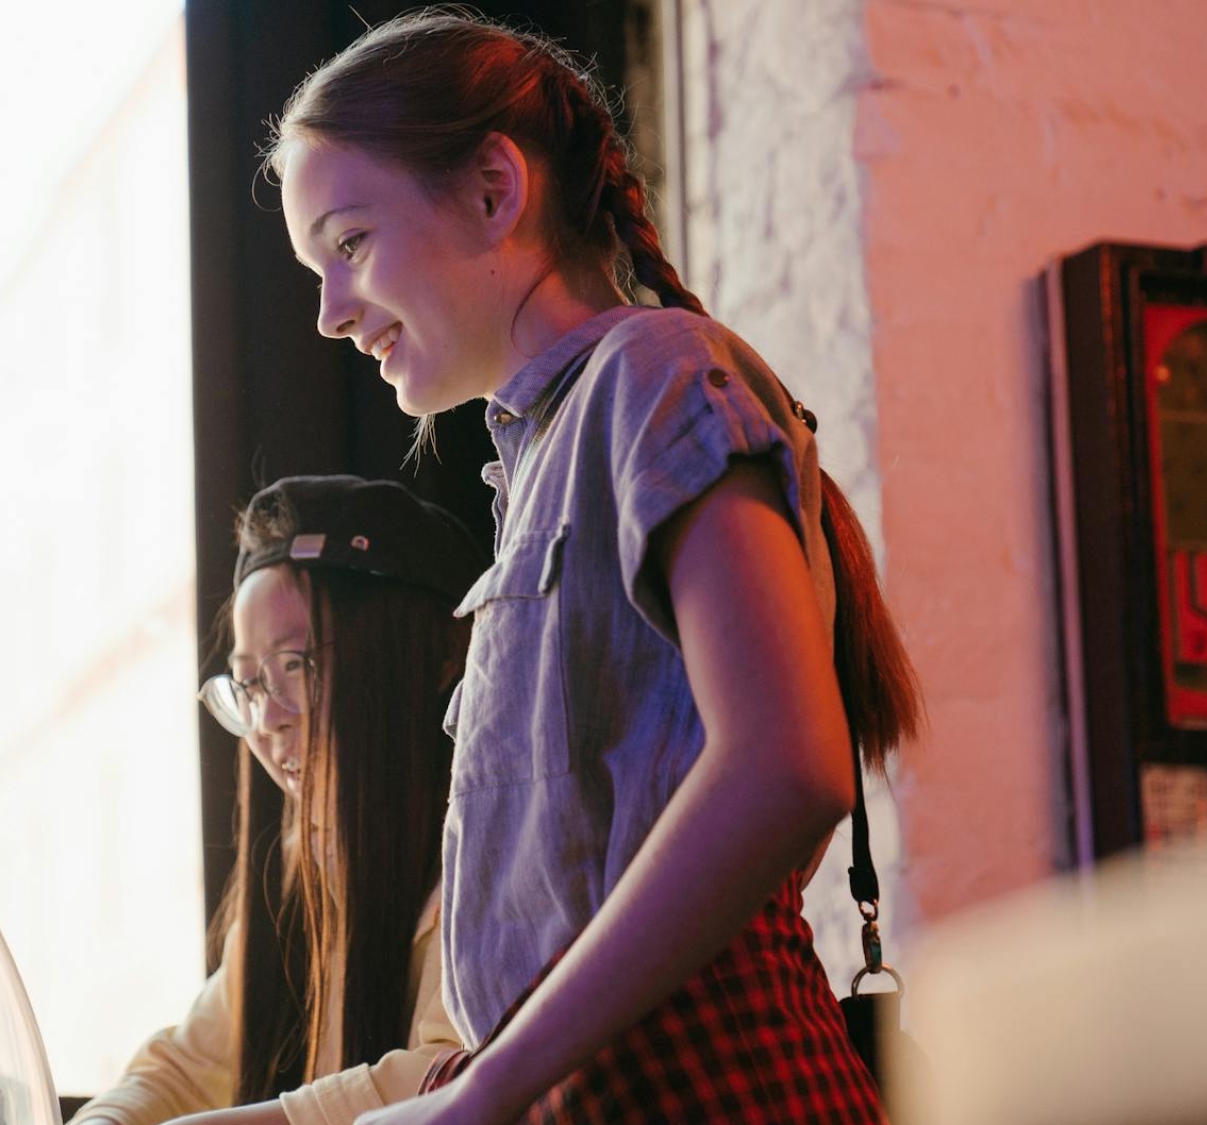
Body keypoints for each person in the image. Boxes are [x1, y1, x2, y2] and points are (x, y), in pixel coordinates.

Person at [270, 11, 923, 1125]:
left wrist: (494, 1085)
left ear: (493, 190)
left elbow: (786, 765)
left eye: (350, 243)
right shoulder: (543, 462)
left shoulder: (652, 373)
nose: (330, 313)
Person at [72, 475, 487, 1125]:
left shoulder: (490, 855)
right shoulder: (303, 869)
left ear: (436, 658)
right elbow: (187, 1067)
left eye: (296, 664)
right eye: (248, 683)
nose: (268, 719)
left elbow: (453, 1076)